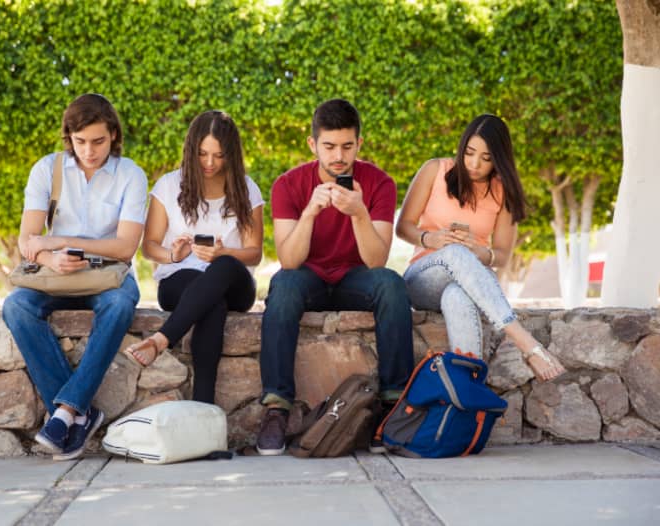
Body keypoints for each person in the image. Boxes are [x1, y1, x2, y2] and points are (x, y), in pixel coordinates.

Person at [256, 99, 414, 456]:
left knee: (391, 284)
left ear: (360, 143)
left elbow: (376, 261)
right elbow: (289, 259)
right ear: (313, 145)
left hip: (356, 278)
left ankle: (392, 405)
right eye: (329, 147)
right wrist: (310, 212)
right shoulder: (288, 185)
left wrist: (358, 213)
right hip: (308, 275)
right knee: (282, 286)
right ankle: (276, 407)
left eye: (346, 146)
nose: (338, 156)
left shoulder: (380, 184)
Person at [2, 93, 147, 460]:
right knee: (16, 306)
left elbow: (126, 247)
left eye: (98, 141)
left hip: (107, 275)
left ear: (113, 134)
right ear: (69, 137)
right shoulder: (46, 170)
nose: (89, 150)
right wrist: (50, 257)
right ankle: (79, 413)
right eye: (80, 142)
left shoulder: (130, 174)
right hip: (57, 274)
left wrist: (61, 240)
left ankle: (64, 412)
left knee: (119, 304)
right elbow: (26, 241)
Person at [396, 113, 565, 381]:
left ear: (498, 160)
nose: (475, 164)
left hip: (467, 284)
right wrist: (431, 239)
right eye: (470, 153)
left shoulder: (503, 193)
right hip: (423, 279)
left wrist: (478, 252)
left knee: (457, 296)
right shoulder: (435, 170)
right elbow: (403, 226)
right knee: (453, 252)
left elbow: (502, 256)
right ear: (462, 148)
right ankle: (526, 344)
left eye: (486, 158)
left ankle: (467, 387)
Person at [123, 110, 263, 404]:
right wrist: (173, 254)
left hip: (234, 281)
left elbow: (254, 254)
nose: (210, 163)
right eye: (202, 154)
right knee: (211, 302)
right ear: (191, 150)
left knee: (222, 267)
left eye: (219, 155)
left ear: (232, 155)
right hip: (180, 278)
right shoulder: (168, 186)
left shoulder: (247, 189)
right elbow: (149, 247)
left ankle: (161, 340)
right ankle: (204, 408)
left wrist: (224, 252)